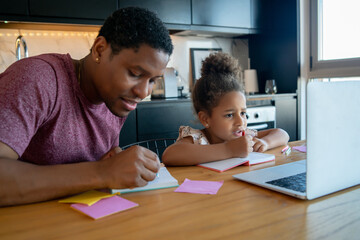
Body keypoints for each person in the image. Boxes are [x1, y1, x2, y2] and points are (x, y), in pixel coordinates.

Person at [0, 7, 173, 206]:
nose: (143, 93)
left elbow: (97, 162)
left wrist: (112, 160)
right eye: (135, 74)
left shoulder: (115, 99)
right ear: (100, 49)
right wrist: (103, 171)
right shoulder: (37, 79)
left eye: (153, 80)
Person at [162, 52, 289, 166]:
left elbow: (282, 134)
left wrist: (265, 142)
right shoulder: (198, 139)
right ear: (205, 119)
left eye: (243, 113)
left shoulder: (244, 136)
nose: (240, 122)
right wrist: (229, 149)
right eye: (229, 115)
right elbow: (170, 155)